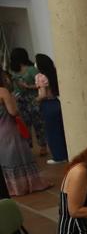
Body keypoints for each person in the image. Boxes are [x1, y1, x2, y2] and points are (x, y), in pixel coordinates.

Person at [0, 68, 51, 196]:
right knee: (17, 156)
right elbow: (13, 111)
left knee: (5, 159)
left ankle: (9, 187)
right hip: (8, 128)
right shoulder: (3, 91)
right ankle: (24, 185)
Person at [9, 48, 47, 155]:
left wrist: (28, 86)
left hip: (33, 99)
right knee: (25, 124)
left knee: (38, 123)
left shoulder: (32, 70)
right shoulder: (14, 71)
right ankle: (28, 147)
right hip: (21, 101)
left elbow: (40, 85)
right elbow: (14, 88)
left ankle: (43, 146)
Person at [35, 54, 68, 164]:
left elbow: (43, 94)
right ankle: (65, 153)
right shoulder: (54, 73)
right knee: (60, 130)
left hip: (47, 104)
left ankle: (58, 157)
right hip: (56, 103)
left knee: (52, 132)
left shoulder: (40, 76)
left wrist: (36, 99)